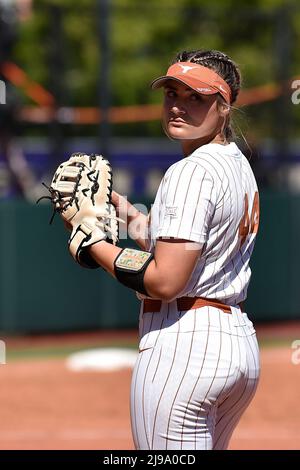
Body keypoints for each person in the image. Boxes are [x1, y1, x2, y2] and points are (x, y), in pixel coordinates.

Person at [86, 49, 260, 450]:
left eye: (194, 97)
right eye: (171, 94)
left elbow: (165, 280)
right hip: (236, 342)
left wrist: (94, 244)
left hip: (185, 345)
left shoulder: (190, 171)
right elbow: (187, 243)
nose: (177, 106)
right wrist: (127, 214)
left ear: (223, 105)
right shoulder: (235, 163)